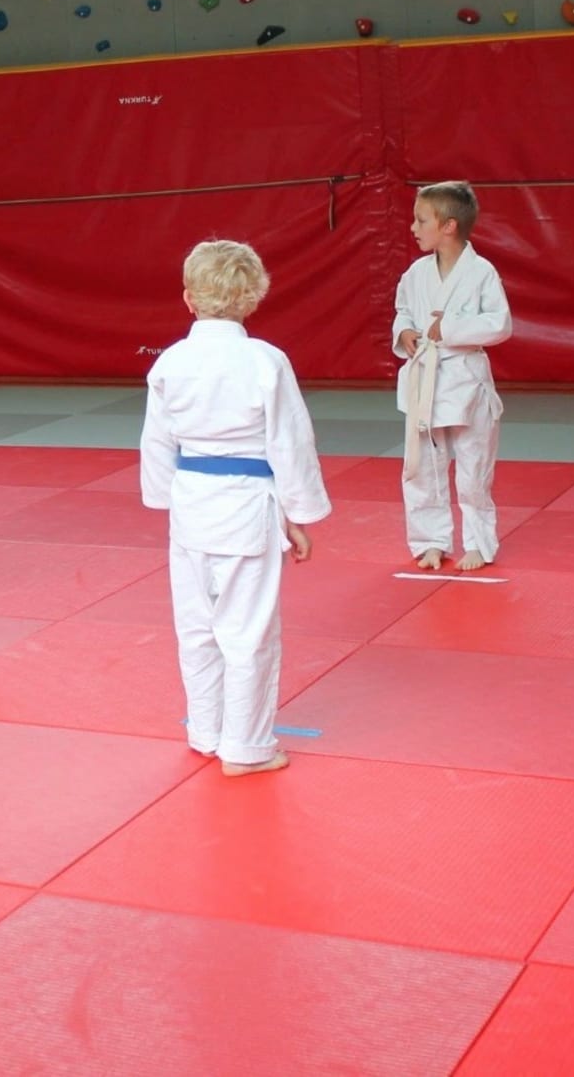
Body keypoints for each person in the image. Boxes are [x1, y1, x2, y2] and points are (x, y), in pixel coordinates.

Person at [140, 240, 329, 777]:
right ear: (253, 299)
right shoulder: (266, 361)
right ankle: (245, 748)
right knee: (248, 632)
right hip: (248, 506)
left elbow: (156, 441)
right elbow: (290, 443)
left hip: (191, 505)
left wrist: (163, 497)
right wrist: (298, 514)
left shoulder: (171, 362)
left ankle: (206, 731)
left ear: (187, 297)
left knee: (197, 628)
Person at [394, 180, 512, 572]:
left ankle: (477, 542)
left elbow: (499, 324)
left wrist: (448, 329)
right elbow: (403, 310)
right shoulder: (416, 273)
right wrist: (404, 331)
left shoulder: (481, 272)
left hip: (466, 381)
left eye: (420, 220)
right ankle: (430, 541)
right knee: (422, 467)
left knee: (473, 468)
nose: (413, 227)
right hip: (425, 379)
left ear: (448, 226)